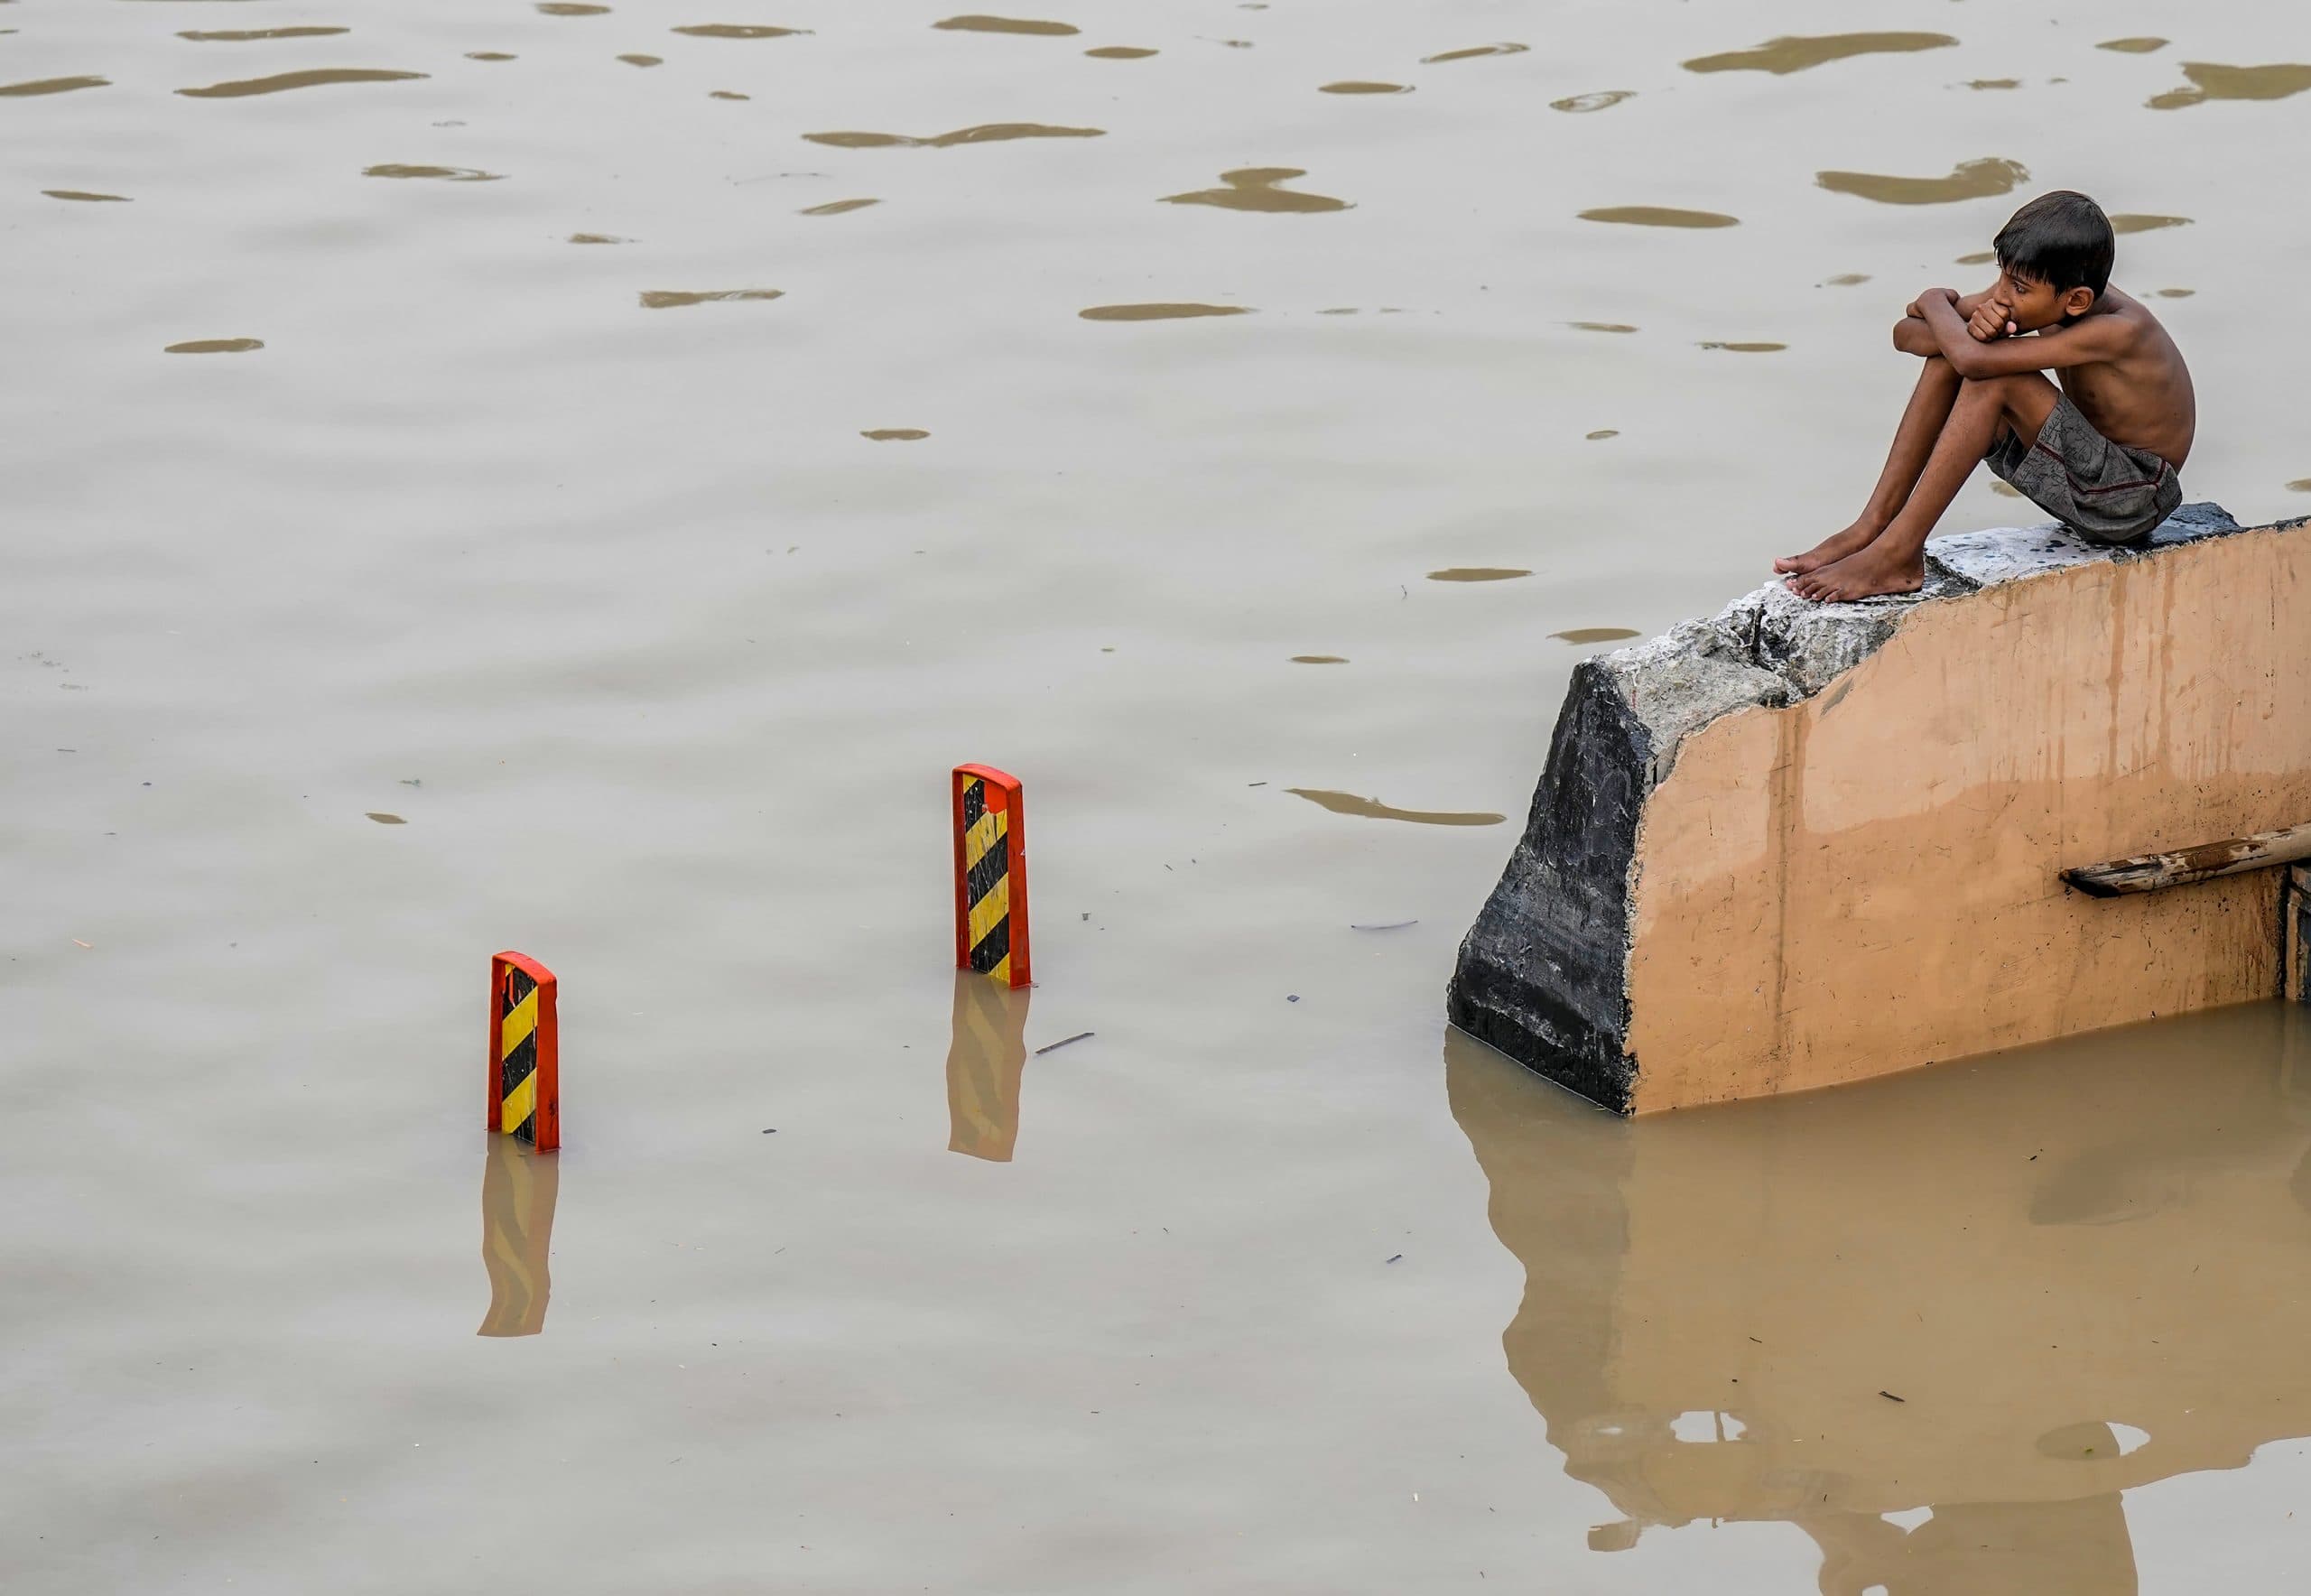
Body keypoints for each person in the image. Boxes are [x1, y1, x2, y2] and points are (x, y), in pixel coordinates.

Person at [1777, 190, 2195, 602]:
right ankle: (1874, 525)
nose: (2001, 294)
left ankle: (1899, 554)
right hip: (2086, 482)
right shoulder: (2047, 290)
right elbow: (1906, 336)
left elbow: (1972, 360)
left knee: (1991, 374)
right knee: (1952, 356)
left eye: (2018, 288)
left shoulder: (2119, 329)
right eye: (2002, 276)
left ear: (2077, 301)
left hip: (2134, 498)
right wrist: (1949, 318)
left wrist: (1933, 300)